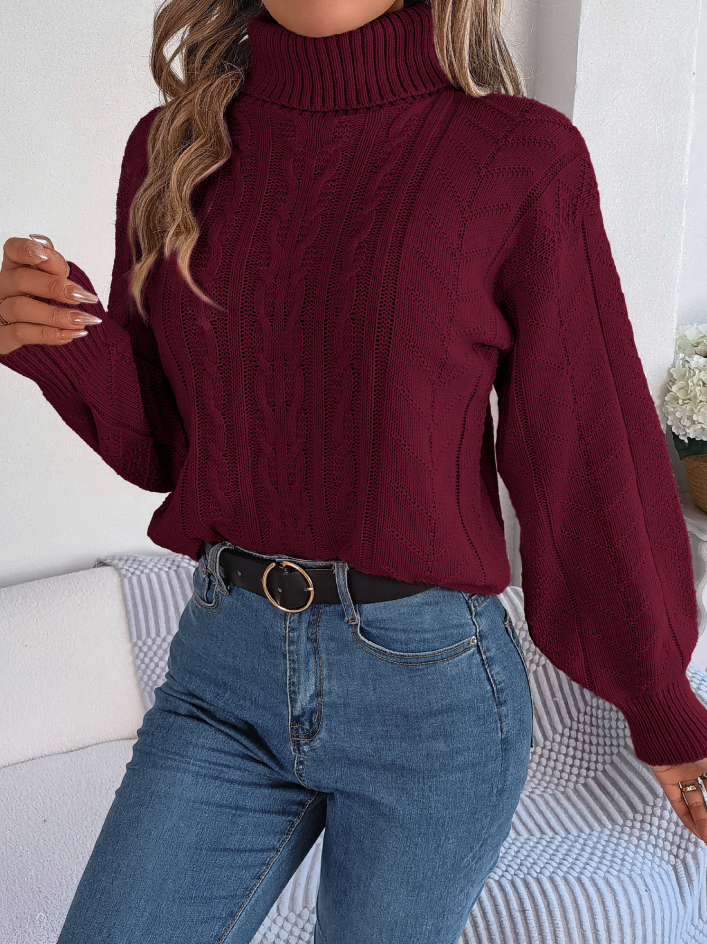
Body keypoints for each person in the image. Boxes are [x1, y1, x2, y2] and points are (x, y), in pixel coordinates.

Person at [2, 0, 707, 940]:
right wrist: (60, 345)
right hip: (221, 674)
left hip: (431, 695)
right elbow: (168, 451)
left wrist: (663, 707)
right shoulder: (173, 148)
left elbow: (586, 450)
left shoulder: (519, 156)